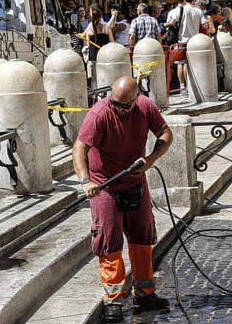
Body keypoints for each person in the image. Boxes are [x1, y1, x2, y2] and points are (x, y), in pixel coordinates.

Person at [72, 75, 173, 323]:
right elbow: (79, 148)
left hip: (135, 183)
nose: (118, 109)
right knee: (109, 241)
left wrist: (149, 160)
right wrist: (86, 181)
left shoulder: (145, 107)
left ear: (135, 99)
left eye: (124, 106)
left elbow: (166, 133)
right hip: (104, 186)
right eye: (115, 103)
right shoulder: (99, 114)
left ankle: (145, 294)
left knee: (142, 237)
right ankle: (114, 300)